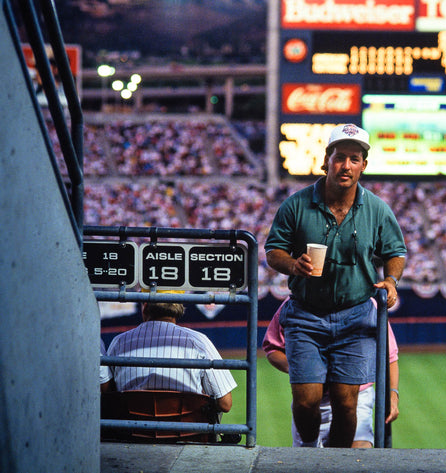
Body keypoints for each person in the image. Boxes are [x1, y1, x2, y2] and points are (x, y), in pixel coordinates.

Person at [264, 123, 407, 447]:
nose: (346, 165)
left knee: (346, 404)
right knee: (306, 401)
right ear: (326, 160)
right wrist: (293, 264)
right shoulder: (296, 204)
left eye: (354, 159)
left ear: (363, 166)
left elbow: (395, 251)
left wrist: (391, 279)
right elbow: (273, 251)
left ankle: (335, 464)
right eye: (340, 157)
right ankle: (310, 457)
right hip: (306, 314)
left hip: (355, 313)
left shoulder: (376, 208)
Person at [262, 297, 400, 447]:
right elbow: (273, 348)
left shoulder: (367, 302)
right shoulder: (295, 301)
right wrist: (301, 368)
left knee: (357, 455)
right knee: (309, 461)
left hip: (357, 395)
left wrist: (393, 394)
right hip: (314, 402)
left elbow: (390, 356)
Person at [106, 302, 237, 413]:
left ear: (145, 307)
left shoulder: (119, 342)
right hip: (187, 434)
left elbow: (106, 395)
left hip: (132, 434)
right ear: (178, 308)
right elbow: (225, 404)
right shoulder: (198, 341)